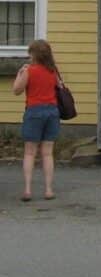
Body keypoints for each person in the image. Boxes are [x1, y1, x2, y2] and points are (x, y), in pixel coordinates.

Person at [12, 39, 60, 201]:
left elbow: (16, 90)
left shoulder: (29, 71)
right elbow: (60, 87)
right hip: (52, 111)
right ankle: (48, 190)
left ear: (34, 54)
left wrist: (20, 74)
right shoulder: (53, 71)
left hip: (34, 111)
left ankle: (27, 190)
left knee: (30, 152)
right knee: (47, 153)